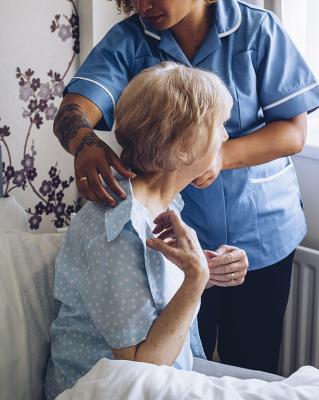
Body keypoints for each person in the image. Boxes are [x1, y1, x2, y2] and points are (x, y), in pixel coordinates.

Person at [53, 0, 319, 373]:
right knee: (184, 352)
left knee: (254, 363)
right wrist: (83, 141)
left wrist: (220, 155)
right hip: (174, 240)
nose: (142, 5)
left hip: (260, 228)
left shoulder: (258, 29)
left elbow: (293, 131)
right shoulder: (129, 40)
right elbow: (148, 362)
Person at [45, 62, 247, 399]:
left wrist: (204, 269)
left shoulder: (161, 203)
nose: (225, 136)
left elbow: (150, 293)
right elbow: (140, 366)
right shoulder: (117, 228)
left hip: (169, 376)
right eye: (220, 126)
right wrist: (195, 280)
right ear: (183, 148)